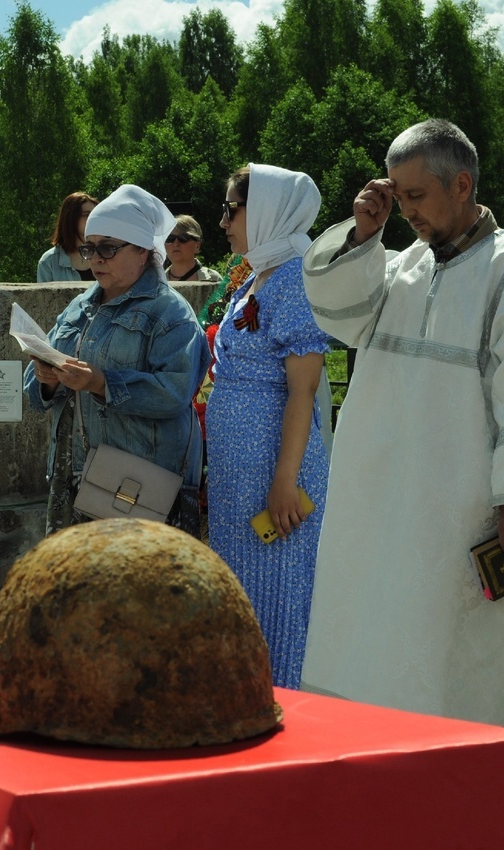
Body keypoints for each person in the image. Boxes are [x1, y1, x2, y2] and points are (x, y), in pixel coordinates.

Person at [299, 118, 504, 815]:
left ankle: (485, 806)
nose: (406, 208)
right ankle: (393, 796)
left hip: (468, 511)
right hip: (392, 513)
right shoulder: (402, 265)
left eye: (416, 195)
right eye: (396, 194)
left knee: (462, 664)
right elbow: (336, 313)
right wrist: (363, 233)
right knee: (395, 654)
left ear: (461, 185)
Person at [203, 164, 330, 690]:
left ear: (270, 211)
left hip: (275, 479)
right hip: (241, 483)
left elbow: (302, 390)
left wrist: (285, 481)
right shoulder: (258, 274)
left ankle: (287, 716)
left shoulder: (296, 278)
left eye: (233, 208)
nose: (224, 221)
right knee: (249, 598)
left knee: (281, 600)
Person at [23, 184, 210, 534]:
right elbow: (36, 394)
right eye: (89, 248)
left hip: (139, 486)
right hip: (77, 480)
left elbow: (175, 392)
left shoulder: (170, 314)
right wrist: (46, 381)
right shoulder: (80, 307)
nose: (95, 259)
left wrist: (100, 382)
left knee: (140, 586)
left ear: (142, 251)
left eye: (108, 248)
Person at [36, 191, 98, 282]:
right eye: (87, 215)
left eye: (95, 215)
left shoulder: (104, 255)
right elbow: (42, 296)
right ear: (71, 219)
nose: (92, 219)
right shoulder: (49, 262)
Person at [164, 215, 222, 285]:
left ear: (197, 246)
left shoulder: (214, 279)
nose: (176, 244)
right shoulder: (155, 282)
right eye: (170, 238)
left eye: (183, 238)